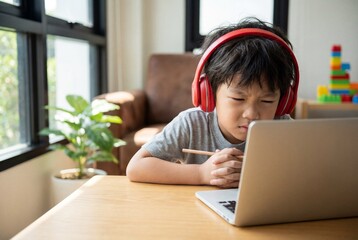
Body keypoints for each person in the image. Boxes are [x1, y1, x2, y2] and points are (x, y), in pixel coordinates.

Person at [126, 18, 299, 188]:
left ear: (284, 101)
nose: (252, 114)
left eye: (267, 100)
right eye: (238, 98)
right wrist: (201, 173)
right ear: (209, 92)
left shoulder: (283, 129)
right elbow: (136, 167)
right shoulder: (191, 124)